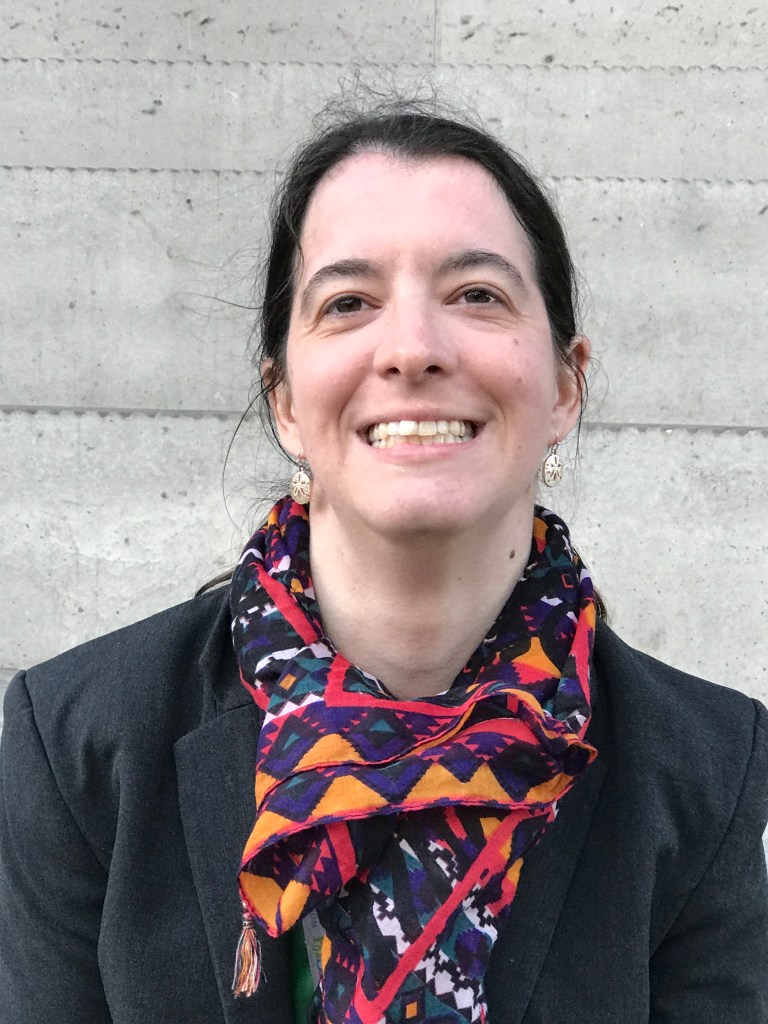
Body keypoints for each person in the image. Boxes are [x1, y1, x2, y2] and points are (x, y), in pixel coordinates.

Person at [1, 100, 766, 1024]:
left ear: (566, 385)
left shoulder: (706, 773)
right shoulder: (83, 745)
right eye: (349, 303)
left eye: (477, 295)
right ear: (283, 400)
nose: (411, 350)